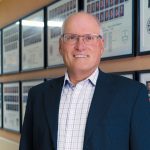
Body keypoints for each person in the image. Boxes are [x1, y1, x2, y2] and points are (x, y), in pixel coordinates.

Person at [19, 11, 150, 150]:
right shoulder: (38, 95)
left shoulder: (132, 95)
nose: (80, 46)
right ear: (60, 46)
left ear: (101, 45)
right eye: (71, 37)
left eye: (89, 37)